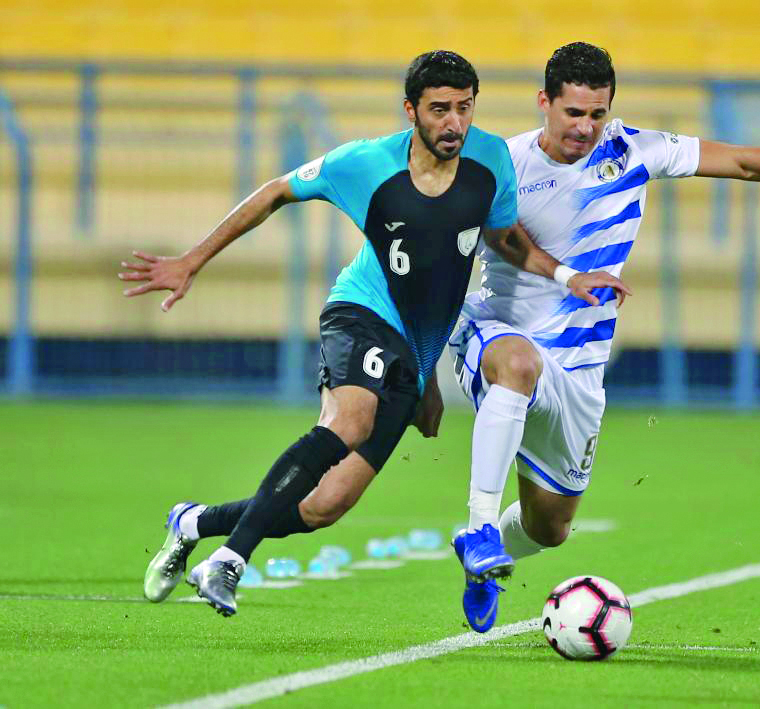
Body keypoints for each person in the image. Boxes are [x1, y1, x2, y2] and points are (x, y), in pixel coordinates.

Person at [124, 49, 626, 617]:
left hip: (415, 348)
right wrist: (192, 261)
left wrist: (560, 277)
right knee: (351, 419)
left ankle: (192, 522)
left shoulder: (491, 161)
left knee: (322, 507)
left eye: (464, 108)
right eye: (439, 110)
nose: (454, 124)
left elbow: (505, 241)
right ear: (411, 110)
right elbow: (275, 192)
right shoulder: (365, 164)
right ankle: (231, 560)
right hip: (361, 311)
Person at [443, 41, 760, 632]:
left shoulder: (635, 150)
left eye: (597, 114)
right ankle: (481, 526)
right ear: (545, 102)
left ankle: (484, 564)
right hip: (498, 332)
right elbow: (491, 240)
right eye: (572, 113)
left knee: (550, 529)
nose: (585, 128)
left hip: (579, 366)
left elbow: (746, 163)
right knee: (516, 364)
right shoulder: (505, 164)